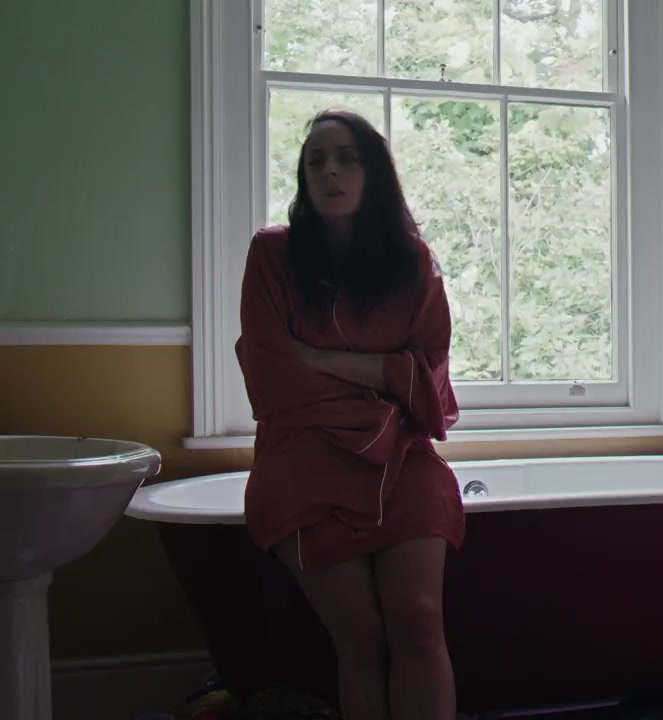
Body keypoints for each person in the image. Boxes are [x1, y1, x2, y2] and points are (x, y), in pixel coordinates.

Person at [235, 110, 464, 720]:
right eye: (316, 161)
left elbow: (430, 379)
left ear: (373, 174)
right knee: (360, 635)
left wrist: (322, 358)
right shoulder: (272, 255)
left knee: (419, 622)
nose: (330, 171)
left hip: (402, 460)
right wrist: (386, 376)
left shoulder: (412, 263)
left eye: (346, 158)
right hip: (303, 462)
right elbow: (273, 379)